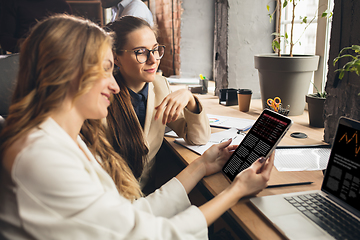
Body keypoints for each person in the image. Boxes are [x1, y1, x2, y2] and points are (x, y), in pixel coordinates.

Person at [0, 14, 274, 239]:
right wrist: (235, 191)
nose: (114, 84)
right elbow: (144, 233)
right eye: (105, 69)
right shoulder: (41, 157)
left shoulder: (67, 141)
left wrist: (202, 165)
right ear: (70, 73)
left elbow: (131, 214)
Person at [105, 16, 211, 191]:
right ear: (116, 58)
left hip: (146, 194)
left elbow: (198, 138)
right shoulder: (102, 96)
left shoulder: (160, 86)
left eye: (155, 49)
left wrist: (190, 99)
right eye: (140, 52)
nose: (153, 59)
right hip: (111, 199)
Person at [0, 0, 72, 53]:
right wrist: (32, 45)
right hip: (24, 58)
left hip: (58, 56)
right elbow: (5, 40)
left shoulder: (61, 4)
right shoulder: (10, 2)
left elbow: (71, 37)